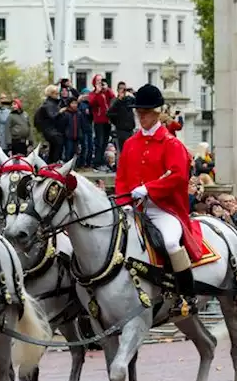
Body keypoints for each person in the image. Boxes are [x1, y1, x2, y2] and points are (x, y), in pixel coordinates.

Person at [113, 83, 205, 315]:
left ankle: (187, 295)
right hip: (133, 209)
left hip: (163, 208)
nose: (140, 117)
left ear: (156, 114)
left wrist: (149, 189)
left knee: (171, 243)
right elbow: (122, 178)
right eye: (138, 113)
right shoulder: (130, 143)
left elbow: (178, 176)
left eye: (144, 113)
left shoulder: (171, 144)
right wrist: (123, 204)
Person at [86, 75, 115, 169]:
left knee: (105, 142)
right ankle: (97, 163)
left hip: (108, 120)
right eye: (98, 80)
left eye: (101, 80)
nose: (100, 82)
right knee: (99, 142)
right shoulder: (93, 93)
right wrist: (97, 92)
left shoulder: (106, 92)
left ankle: (102, 161)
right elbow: (91, 103)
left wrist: (108, 89)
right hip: (99, 121)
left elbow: (113, 98)